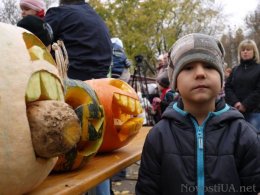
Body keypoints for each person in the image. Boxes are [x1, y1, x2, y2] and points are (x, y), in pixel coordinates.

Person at [136, 33, 260, 194]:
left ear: (221, 79)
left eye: (209, 66)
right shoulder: (158, 136)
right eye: (188, 68)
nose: (200, 73)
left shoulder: (243, 134)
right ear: (175, 82)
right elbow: (147, 190)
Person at [44, 0, 112, 81]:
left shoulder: (59, 13)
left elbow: (32, 44)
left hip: (67, 85)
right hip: (101, 85)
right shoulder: (98, 19)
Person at [225, 39, 260, 131]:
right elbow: (228, 87)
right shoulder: (235, 70)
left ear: (254, 52)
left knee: (254, 141)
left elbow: (258, 91)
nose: (245, 52)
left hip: (254, 113)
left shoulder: (258, 69)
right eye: (243, 50)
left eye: (248, 50)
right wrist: (236, 102)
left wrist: (245, 105)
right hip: (235, 112)